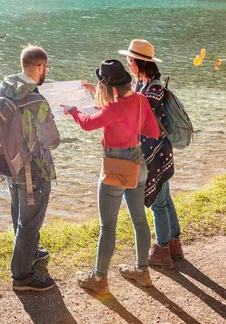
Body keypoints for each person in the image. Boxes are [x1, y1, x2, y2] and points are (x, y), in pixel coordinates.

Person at [62, 59, 159, 294]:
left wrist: (73, 110)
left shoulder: (112, 109)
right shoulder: (139, 99)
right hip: (138, 165)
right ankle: (142, 271)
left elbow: (86, 124)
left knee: (108, 226)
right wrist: (127, 123)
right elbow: (153, 131)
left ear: (107, 87)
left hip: (115, 169)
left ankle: (99, 278)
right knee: (139, 221)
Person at [0, 44, 61, 292]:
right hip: (33, 171)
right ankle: (22, 276)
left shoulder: (4, 88)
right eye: (46, 68)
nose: (47, 72)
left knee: (19, 214)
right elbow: (51, 140)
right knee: (30, 223)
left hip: (9, 166)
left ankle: (29, 253)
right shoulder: (36, 100)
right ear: (40, 67)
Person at [119, 39, 184, 269]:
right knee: (164, 199)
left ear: (140, 63)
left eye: (130, 61)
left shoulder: (152, 91)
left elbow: (135, 115)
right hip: (159, 152)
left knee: (157, 203)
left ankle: (162, 249)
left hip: (155, 155)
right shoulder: (145, 84)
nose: (128, 65)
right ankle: (174, 244)